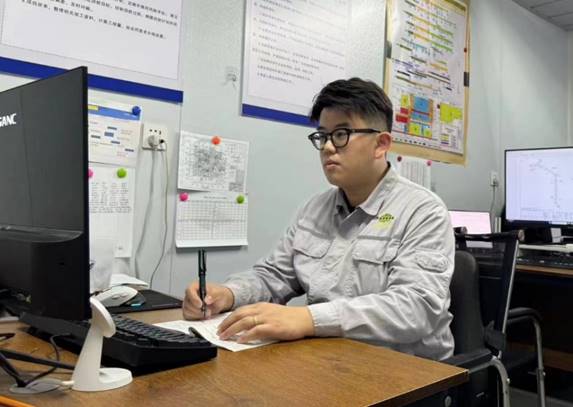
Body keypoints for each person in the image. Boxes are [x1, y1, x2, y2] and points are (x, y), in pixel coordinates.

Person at [183, 78, 455, 360]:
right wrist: (227, 294)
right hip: (331, 360)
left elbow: (417, 308)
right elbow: (274, 275)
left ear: (381, 144)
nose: (327, 147)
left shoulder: (423, 211)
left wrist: (308, 319)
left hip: (408, 371)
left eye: (341, 134)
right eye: (322, 136)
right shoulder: (314, 209)